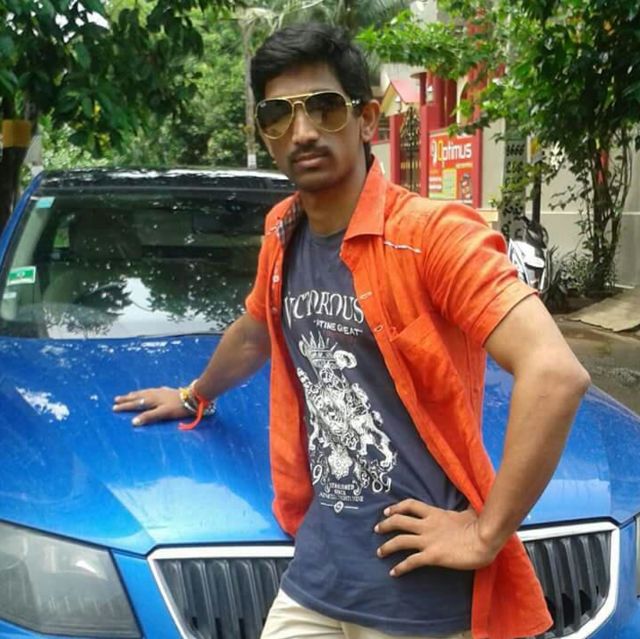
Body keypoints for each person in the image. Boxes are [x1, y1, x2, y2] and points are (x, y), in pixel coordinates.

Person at [113, 23, 590, 639]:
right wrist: (193, 394)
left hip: (417, 599)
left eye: (324, 107)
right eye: (278, 115)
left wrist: (485, 532)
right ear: (264, 132)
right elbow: (256, 331)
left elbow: (555, 373)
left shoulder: (432, 236)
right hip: (320, 574)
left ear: (366, 120)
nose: (303, 131)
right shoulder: (284, 233)